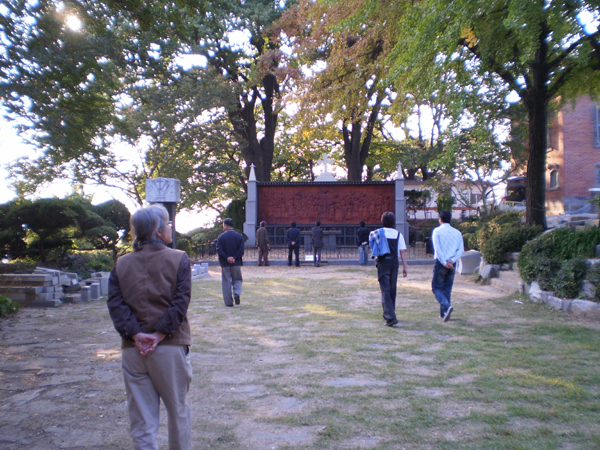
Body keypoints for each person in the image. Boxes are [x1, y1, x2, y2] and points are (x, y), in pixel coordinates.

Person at [107, 204, 192, 450]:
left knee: (142, 419)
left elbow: (116, 304)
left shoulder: (121, 264)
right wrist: (158, 334)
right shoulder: (178, 258)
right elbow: (180, 302)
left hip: (133, 350)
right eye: (167, 224)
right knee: (178, 411)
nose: (170, 228)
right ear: (158, 231)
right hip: (169, 348)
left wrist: (136, 334)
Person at [369, 211, 408, 327]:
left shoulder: (378, 232)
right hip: (394, 263)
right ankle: (391, 312)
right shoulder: (398, 234)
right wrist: (405, 266)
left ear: (382, 221)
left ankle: (390, 316)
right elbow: (402, 251)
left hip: (383, 262)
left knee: (385, 289)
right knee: (392, 288)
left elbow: (372, 244)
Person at [431, 210, 464, 322]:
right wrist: (452, 261)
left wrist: (444, 262)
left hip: (441, 263)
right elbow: (461, 250)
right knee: (447, 289)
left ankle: (446, 306)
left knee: (436, 288)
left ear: (440, 219)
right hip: (452, 263)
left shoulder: (437, 231)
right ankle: (444, 313)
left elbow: (438, 249)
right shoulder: (457, 233)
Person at [216, 218, 245, 307]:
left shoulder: (221, 237)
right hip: (236, 263)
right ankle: (236, 293)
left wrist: (227, 257)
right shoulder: (239, 236)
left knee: (226, 282)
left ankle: (228, 302)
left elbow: (219, 250)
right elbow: (241, 250)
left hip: (225, 263)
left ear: (225, 225)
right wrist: (234, 257)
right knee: (238, 279)